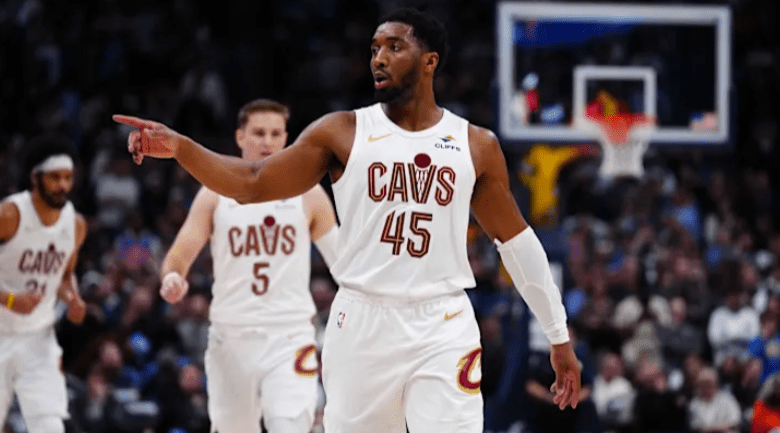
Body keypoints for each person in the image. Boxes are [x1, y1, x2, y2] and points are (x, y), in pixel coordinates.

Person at [114, 8, 581, 432]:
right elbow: (254, 181)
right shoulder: (342, 131)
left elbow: (517, 244)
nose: (379, 58)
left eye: (394, 47)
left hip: (442, 322)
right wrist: (182, 148)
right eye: (374, 48)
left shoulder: (475, 144)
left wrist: (558, 336)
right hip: (361, 320)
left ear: (429, 62)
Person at [158, 99, 338, 433]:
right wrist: (172, 277)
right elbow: (179, 253)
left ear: (287, 138)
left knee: (289, 426)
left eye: (275, 133)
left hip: (290, 335)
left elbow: (344, 264)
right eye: (259, 133)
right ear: (240, 137)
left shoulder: (310, 195)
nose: (268, 141)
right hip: (231, 335)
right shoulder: (214, 194)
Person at [0, 134, 88, 433]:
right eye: (55, 177)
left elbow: (63, 275)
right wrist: (11, 300)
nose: (63, 185)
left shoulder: (75, 225)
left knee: (50, 424)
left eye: (67, 178)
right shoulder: (10, 215)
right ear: (35, 178)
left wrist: (72, 298)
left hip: (38, 337)